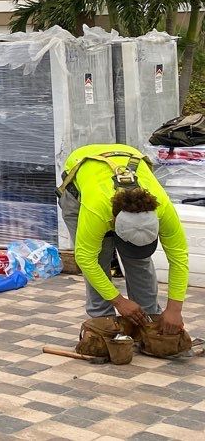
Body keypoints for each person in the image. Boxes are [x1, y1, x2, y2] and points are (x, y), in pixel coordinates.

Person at [59, 144, 189, 336]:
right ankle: (103, 323)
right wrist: (119, 301)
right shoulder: (97, 212)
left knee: (139, 260)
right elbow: (86, 259)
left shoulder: (163, 209)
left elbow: (179, 258)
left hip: (125, 157)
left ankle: (147, 320)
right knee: (99, 258)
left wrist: (174, 310)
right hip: (79, 184)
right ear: (113, 223)